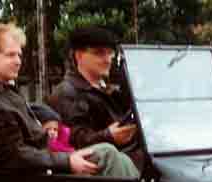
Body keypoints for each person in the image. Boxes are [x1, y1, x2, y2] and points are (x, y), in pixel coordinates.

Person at [0, 23, 138, 178]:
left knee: (111, 153)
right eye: (10, 55)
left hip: (44, 166)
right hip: (31, 181)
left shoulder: (4, 94)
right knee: (107, 155)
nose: (18, 61)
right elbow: (13, 156)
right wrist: (66, 160)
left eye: (19, 55)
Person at [49, 26, 144, 172]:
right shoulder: (67, 93)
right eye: (99, 53)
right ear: (79, 56)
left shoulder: (107, 90)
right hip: (105, 172)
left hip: (132, 159)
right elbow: (75, 140)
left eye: (110, 53)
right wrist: (109, 136)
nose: (107, 59)